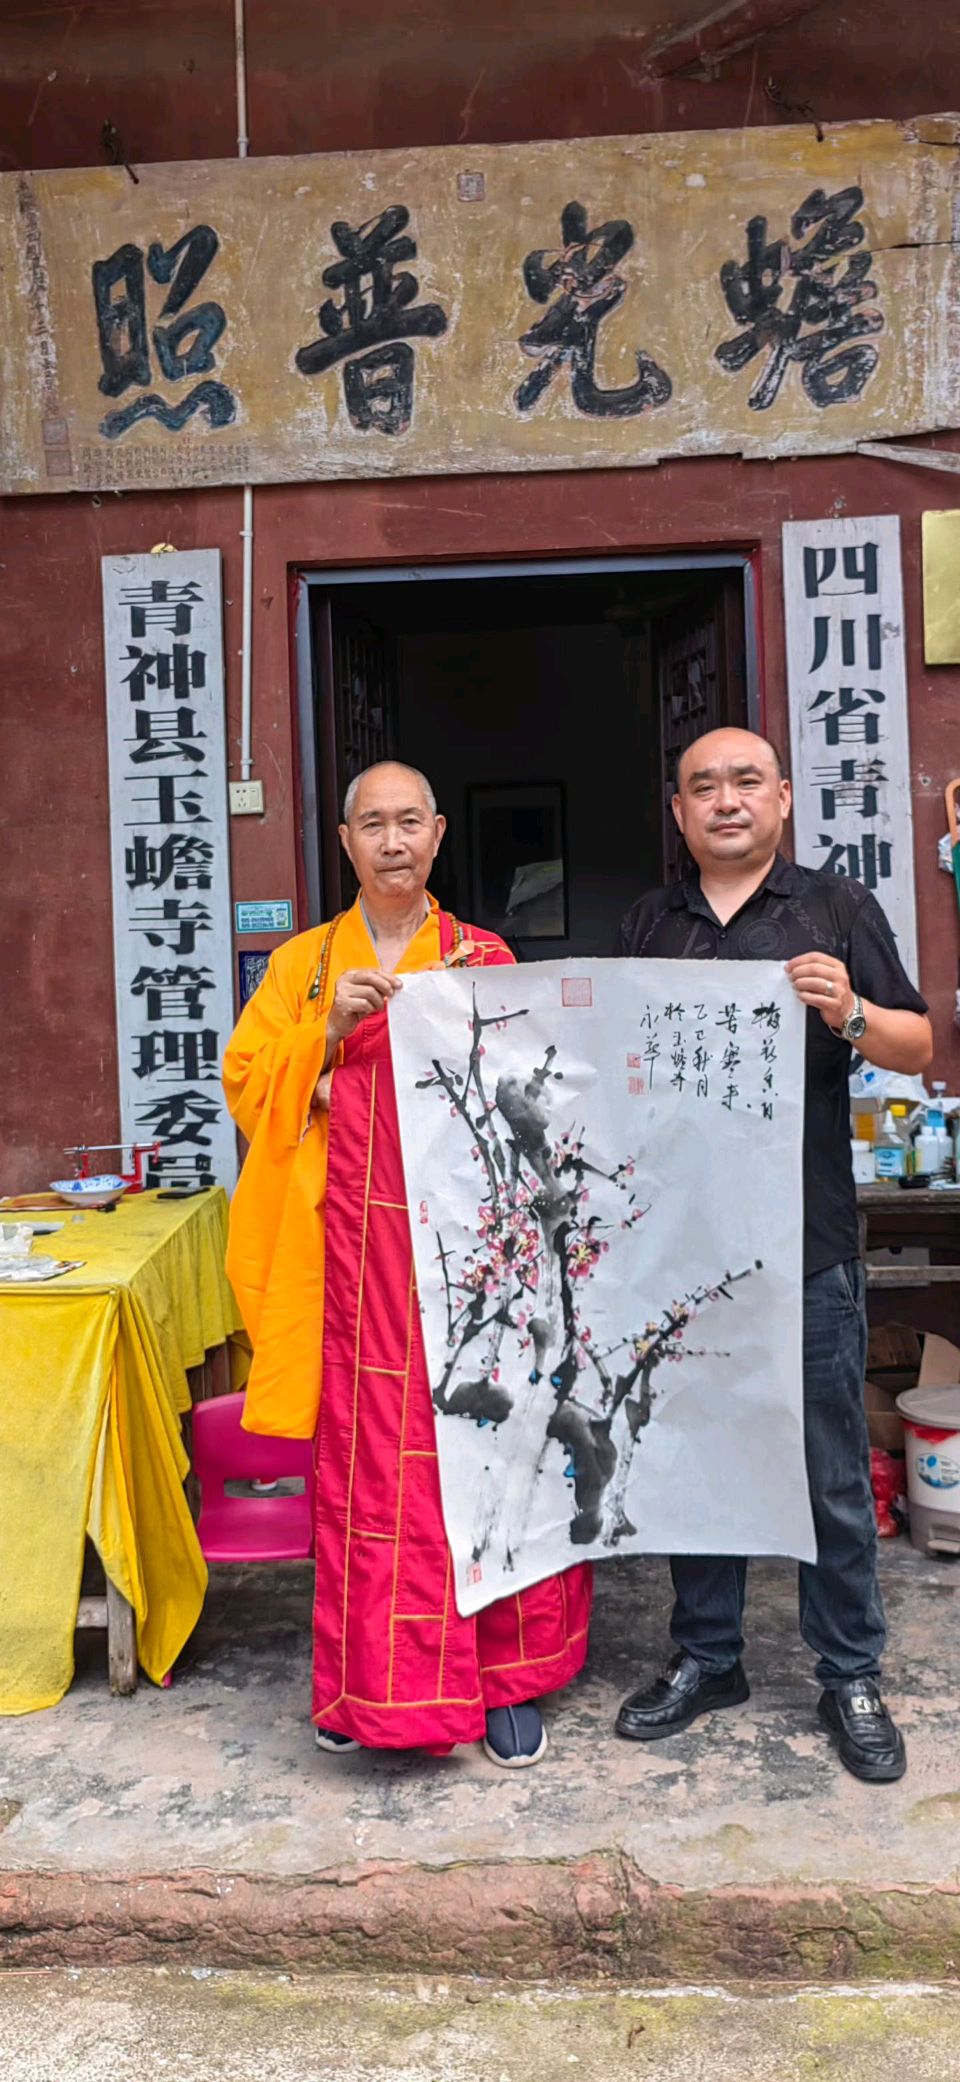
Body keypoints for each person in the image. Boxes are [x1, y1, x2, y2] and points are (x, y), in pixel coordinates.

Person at [223, 761, 592, 1766]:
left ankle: (502, 1682)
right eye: (372, 824)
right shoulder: (302, 967)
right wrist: (328, 1034)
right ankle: (363, 1688)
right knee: (367, 1475)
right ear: (346, 842)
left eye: (409, 823)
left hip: (467, 1267)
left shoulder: (484, 956)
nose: (392, 841)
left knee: (487, 1454)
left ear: (437, 837)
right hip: (349, 1263)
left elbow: (538, 1097)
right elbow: (248, 1086)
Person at [614, 727, 932, 1784]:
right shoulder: (649, 925)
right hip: (683, 1248)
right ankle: (709, 1657)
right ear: (678, 812)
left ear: (784, 799)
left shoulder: (835, 910)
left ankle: (850, 1672)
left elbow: (917, 1043)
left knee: (828, 1469)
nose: (726, 800)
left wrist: (849, 1010)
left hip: (807, 1244)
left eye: (746, 781)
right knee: (697, 1459)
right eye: (702, 786)